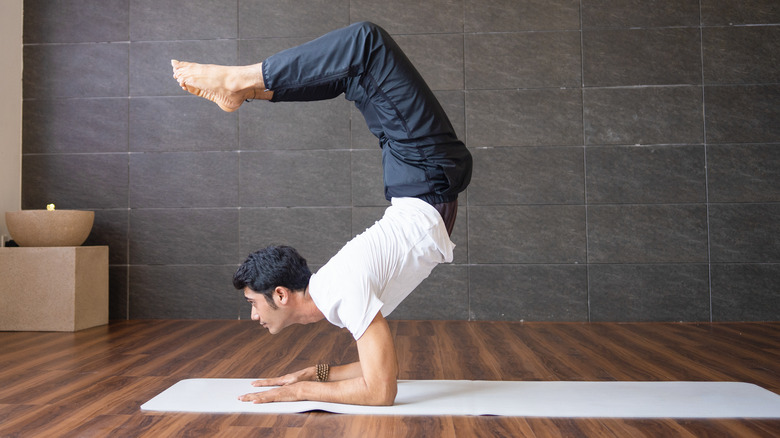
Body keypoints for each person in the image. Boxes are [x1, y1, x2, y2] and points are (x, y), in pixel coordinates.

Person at [172, 21, 472, 406]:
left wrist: (300, 391)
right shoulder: (335, 293)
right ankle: (244, 90)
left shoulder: (339, 290)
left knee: (365, 45)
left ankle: (241, 83)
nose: (252, 316)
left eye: (252, 303)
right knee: (356, 71)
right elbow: (378, 375)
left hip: (424, 176)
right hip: (423, 178)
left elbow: (380, 391)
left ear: (279, 294)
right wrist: (315, 373)